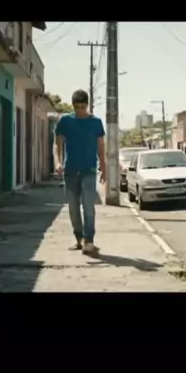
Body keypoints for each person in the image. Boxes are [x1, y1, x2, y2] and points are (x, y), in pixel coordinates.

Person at [54, 89, 106, 256]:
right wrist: (57, 162)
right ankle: (79, 238)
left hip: (89, 170)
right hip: (70, 170)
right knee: (73, 207)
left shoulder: (96, 122)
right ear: (73, 106)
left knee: (89, 206)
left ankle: (89, 240)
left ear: (87, 105)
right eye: (77, 107)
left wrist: (103, 167)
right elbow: (57, 144)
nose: (80, 110)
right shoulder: (65, 121)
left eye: (83, 107)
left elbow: (100, 147)